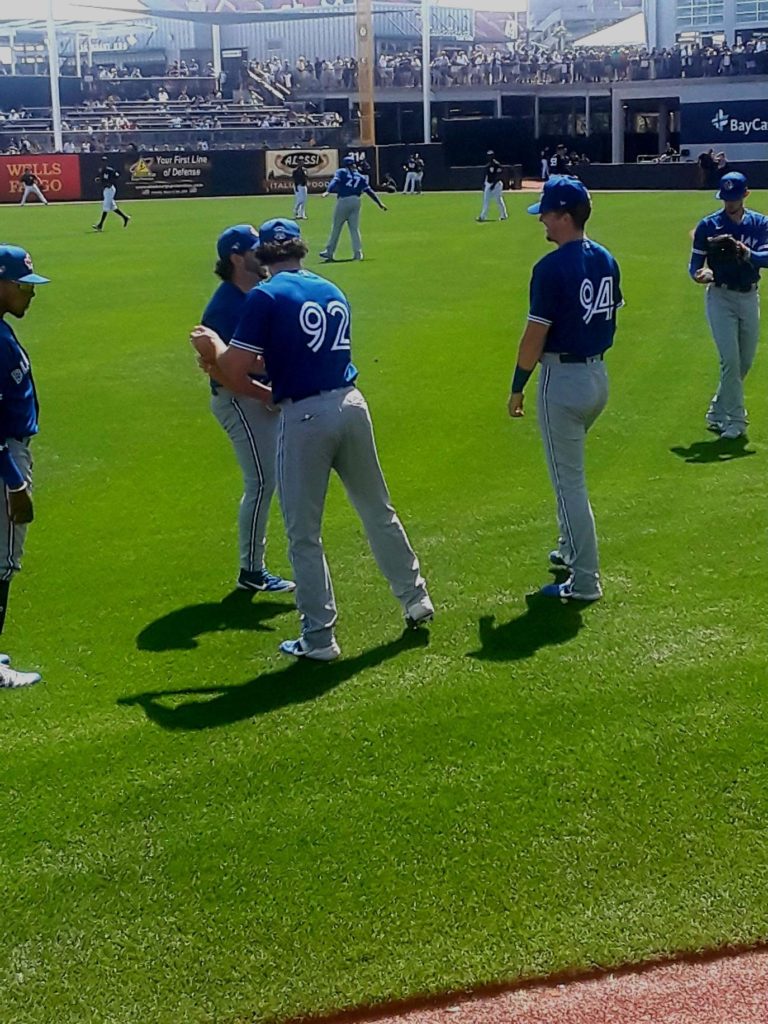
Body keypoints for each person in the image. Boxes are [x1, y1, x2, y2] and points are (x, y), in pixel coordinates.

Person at [190, 218, 433, 660]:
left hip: (305, 416)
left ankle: (319, 637)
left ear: (264, 252)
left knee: (304, 532)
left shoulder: (266, 295)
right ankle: (415, 597)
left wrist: (213, 350)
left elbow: (239, 365)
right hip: (352, 404)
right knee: (378, 510)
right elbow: (295, 354)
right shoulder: (329, 287)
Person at [508, 176, 622, 602]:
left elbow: (533, 339)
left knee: (568, 483)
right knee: (568, 476)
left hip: (563, 382)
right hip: (597, 378)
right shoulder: (607, 258)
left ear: (566, 216)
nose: (542, 222)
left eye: (548, 215)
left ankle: (586, 581)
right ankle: (569, 548)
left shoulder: (550, 268)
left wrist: (518, 386)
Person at [200, 225, 295, 594]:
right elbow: (227, 377)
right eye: (258, 250)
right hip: (238, 401)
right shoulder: (224, 308)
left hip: (260, 397)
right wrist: (265, 395)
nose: (266, 253)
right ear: (237, 258)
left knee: (276, 478)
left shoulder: (259, 295)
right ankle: (251, 571)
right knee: (262, 481)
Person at [0, 245, 51, 688]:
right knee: (1, 563)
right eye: (22, 285)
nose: (29, 295)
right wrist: (15, 483)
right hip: (4, 459)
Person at [689, 171, 768, 440]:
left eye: (734, 198)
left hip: (748, 296)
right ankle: (735, 421)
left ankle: (716, 409)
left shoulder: (759, 223)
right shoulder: (709, 226)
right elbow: (694, 266)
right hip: (720, 297)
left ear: (745, 195)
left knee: (744, 362)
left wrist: (748, 253)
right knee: (730, 361)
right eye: (725, 198)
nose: (729, 203)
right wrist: (700, 275)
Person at [319, 155, 387, 262]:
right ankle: (358, 253)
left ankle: (329, 252)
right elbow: (369, 191)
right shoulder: (360, 176)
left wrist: (328, 191)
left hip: (344, 200)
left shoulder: (341, 172)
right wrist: (379, 203)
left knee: (337, 227)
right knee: (354, 229)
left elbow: (335, 181)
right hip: (356, 201)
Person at [93, 156, 130, 231]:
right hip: (106, 190)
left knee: (105, 207)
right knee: (113, 207)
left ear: (106, 162)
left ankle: (100, 225)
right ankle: (125, 217)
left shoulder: (109, 170)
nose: (103, 163)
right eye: (102, 161)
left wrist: (111, 182)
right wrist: (99, 180)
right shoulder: (102, 170)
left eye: (104, 161)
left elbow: (116, 176)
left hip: (110, 189)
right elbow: (103, 179)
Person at [476, 150, 507, 223]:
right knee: (486, 200)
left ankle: (503, 215)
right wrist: (485, 184)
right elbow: (487, 176)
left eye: (490, 156)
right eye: (488, 156)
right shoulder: (488, 165)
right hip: (489, 184)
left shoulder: (497, 164)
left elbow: (499, 175)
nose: (489, 157)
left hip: (497, 185)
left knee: (498, 200)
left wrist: (493, 184)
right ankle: (482, 216)